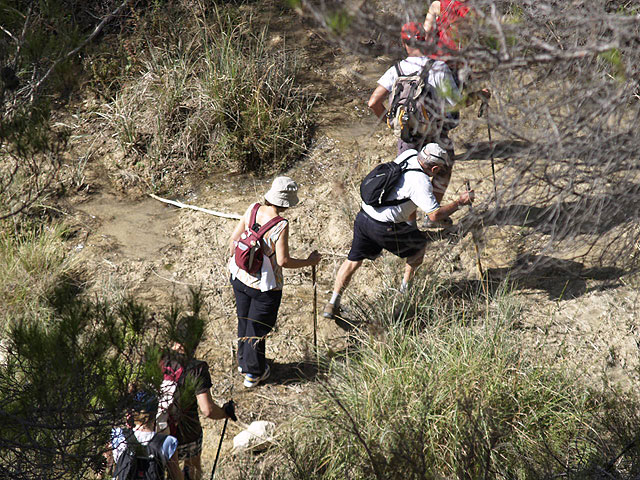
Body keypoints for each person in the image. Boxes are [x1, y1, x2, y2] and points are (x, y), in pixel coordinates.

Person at [322, 143, 474, 320]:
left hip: (364, 215)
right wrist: (460, 203)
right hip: (383, 227)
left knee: (353, 261)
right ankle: (404, 293)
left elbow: (401, 193)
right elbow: (434, 216)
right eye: (438, 169)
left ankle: (333, 302)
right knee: (419, 248)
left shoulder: (409, 154)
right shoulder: (421, 183)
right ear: (433, 167)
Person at [228, 176, 321, 388]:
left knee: (243, 321)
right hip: (265, 286)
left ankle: (244, 363)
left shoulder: (252, 209)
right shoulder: (280, 225)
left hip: (239, 277)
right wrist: (309, 261)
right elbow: (283, 260)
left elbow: (234, 241)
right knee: (258, 329)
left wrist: (241, 265)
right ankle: (253, 374)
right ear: (286, 203)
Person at [158, 326, 237, 480]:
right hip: (187, 433)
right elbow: (208, 410)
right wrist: (225, 413)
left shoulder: (156, 360)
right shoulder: (196, 368)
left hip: (156, 431)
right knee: (192, 469)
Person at [109, 390, 184, 480]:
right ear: (156, 412)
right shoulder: (167, 442)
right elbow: (176, 476)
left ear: (133, 413)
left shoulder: (118, 435)